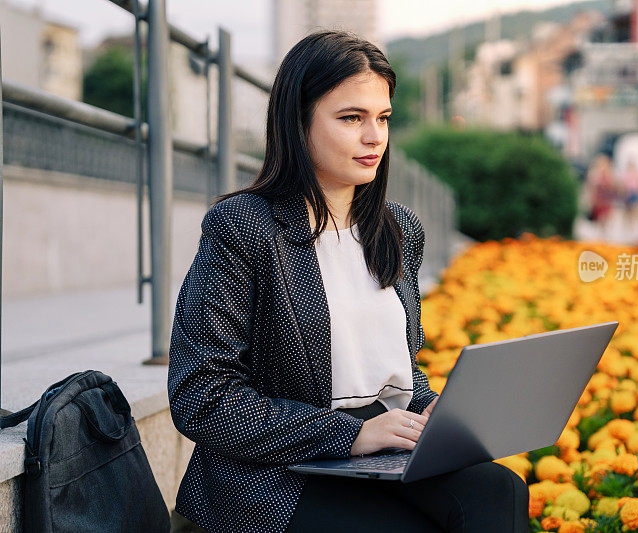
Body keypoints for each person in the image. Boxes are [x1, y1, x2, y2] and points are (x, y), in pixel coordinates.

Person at [167, 30, 529, 533]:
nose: (374, 137)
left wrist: (438, 418)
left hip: (382, 450)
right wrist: (349, 435)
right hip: (279, 471)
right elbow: (201, 395)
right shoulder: (244, 227)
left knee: (500, 489)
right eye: (351, 118)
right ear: (298, 124)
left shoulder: (399, 229)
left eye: (382, 118)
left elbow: (395, 373)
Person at [586, 154, 618, 238]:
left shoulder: (609, 173)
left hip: (606, 198)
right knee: (600, 216)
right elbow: (591, 185)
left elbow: (613, 185)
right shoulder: (594, 173)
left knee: (606, 216)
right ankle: (601, 232)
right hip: (598, 198)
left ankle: (603, 232)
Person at [621, 160, 638, 231]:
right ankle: (628, 224)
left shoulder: (636, 173)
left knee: (635, 208)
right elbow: (623, 184)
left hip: (635, 192)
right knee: (628, 209)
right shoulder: (626, 174)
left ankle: (633, 224)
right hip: (628, 193)